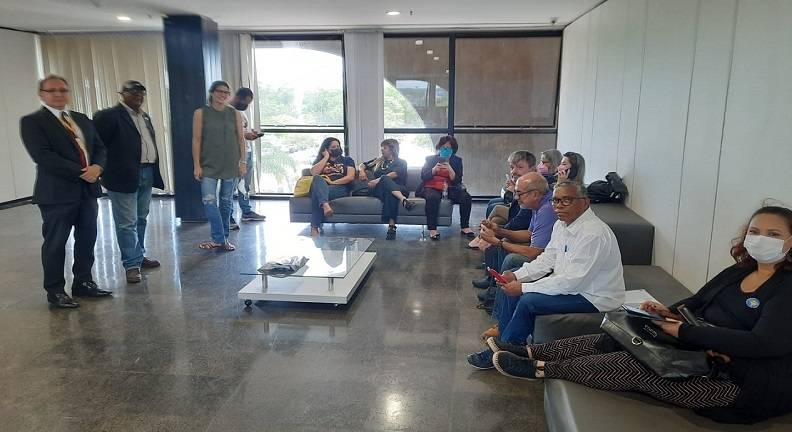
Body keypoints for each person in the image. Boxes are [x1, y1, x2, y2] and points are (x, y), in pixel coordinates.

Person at [489, 205, 792, 425]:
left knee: (639, 363)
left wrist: (684, 332)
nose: (761, 239)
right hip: (701, 348)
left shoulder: (786, 288)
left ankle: (541, 368)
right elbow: (698, 302)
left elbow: (762, 343)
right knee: (618, 335)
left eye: (773, 234)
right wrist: (669, 312)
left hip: (742, 381)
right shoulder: (738, 271)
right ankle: (531, 351)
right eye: (755, 232)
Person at [468, 180, 625, 369]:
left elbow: (572, 282)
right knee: (512, 280)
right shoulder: (562, 225)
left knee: (528, 301)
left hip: (594, 296)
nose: (558, 206)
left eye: (566, 200)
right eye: (555, 201)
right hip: (572, 286)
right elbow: (547, 259)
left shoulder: (593, 234)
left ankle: (505, 352)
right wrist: (518, 277)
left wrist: (523, 287)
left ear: (585, 202)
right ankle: (506, 338)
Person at [20, 74, 111, 308]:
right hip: (57, 194)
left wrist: (98, 167)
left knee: (87, 238)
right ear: (41, 94)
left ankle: (83, 282)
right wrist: (82, 172)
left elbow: (99, 147)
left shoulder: (81, 119)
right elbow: (43, 155)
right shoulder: (33, 122)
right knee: (56, 242)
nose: (59, 94)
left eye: (63, 90)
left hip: (88, 191)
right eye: (52, 90)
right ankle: (55, 290)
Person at [93, 80, 165, 284]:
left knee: (141, 218)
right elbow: (98, 145)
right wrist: (101, 169)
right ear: (122, 94)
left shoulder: (144, 116)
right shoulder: (108, 116)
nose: (138, 96)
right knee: (126, 222)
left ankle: (139, 255)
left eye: (141, 93)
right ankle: (131, 264)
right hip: (121, 175)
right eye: (133, 92)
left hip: (147, 172)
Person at [478, 173, 558, 339]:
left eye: (519, 194)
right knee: (507, 252)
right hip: (546, 255)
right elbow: (529, 234)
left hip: (549, 259)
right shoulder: (538, 206)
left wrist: (498, 241)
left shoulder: (546, 210)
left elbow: (536, 252)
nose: (516, 198)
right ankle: (498, 303)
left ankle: (501, 321)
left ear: (535, 194)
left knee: (511, 259)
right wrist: (499, 231)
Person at [192, 80, 246, 251]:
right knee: (209, 201)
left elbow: (241, 139)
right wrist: (197, 165)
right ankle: (219, 237)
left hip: (231, 163)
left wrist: (243, 162)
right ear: (212, 92)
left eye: (226, 92)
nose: (223, 95)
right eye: (220, 91)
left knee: (226, 202)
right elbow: (196, 140)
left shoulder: (234, 113)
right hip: (208, 164)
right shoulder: (201, 113)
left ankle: (222, 239)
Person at [357, 139, 416, 240]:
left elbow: (393, 175)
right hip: (379, 189)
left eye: (385, 148)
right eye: (381, 148)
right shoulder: (378, 161)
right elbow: (362, 164)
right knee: (389, 191)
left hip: (399, 187)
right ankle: (402, 202)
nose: (382, 150)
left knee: (388, 189)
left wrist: (377, 180)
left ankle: (392, 224)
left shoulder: (401, 162)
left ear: (392, 149)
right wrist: (361, 171)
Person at [418, 136, 473, 241]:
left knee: (466, 197)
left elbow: (458, 180)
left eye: (448, 148)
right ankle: (432, 229)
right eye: (443, 147)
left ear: (453, 150)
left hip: (450, 187)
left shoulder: (457, 161)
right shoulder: (430, 159)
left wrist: (450, 170)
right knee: (433, 197)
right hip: (432, 186)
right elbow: (423, 176)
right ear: (439, 147)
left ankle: (465, 226)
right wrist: (434, 170)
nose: (445, 150)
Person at [228, 87, 266, 230]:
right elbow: (229, 132)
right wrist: (245, 135)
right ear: (238, 97)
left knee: (245, 185)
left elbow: (242, 131)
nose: (247, 105)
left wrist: (251, 134)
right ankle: (228, 216)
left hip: (247, 151)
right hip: (235, 153)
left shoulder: (241, 112)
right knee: (230, 186)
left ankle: (246, 211)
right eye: (246, 102)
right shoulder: (228, 112)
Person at [309, 137, 356, 237]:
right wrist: (326, 157)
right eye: (333, 147)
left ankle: (314, 227)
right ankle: (325, 205)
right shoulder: (321, 161)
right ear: (326, 149)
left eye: (338, 146)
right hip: (323, 187)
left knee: (317, 194)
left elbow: (350, 177)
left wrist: (332, 182)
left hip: (341, 187)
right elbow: (314, 173)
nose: (337, 148)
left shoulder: (347, 160)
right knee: (317, 178)